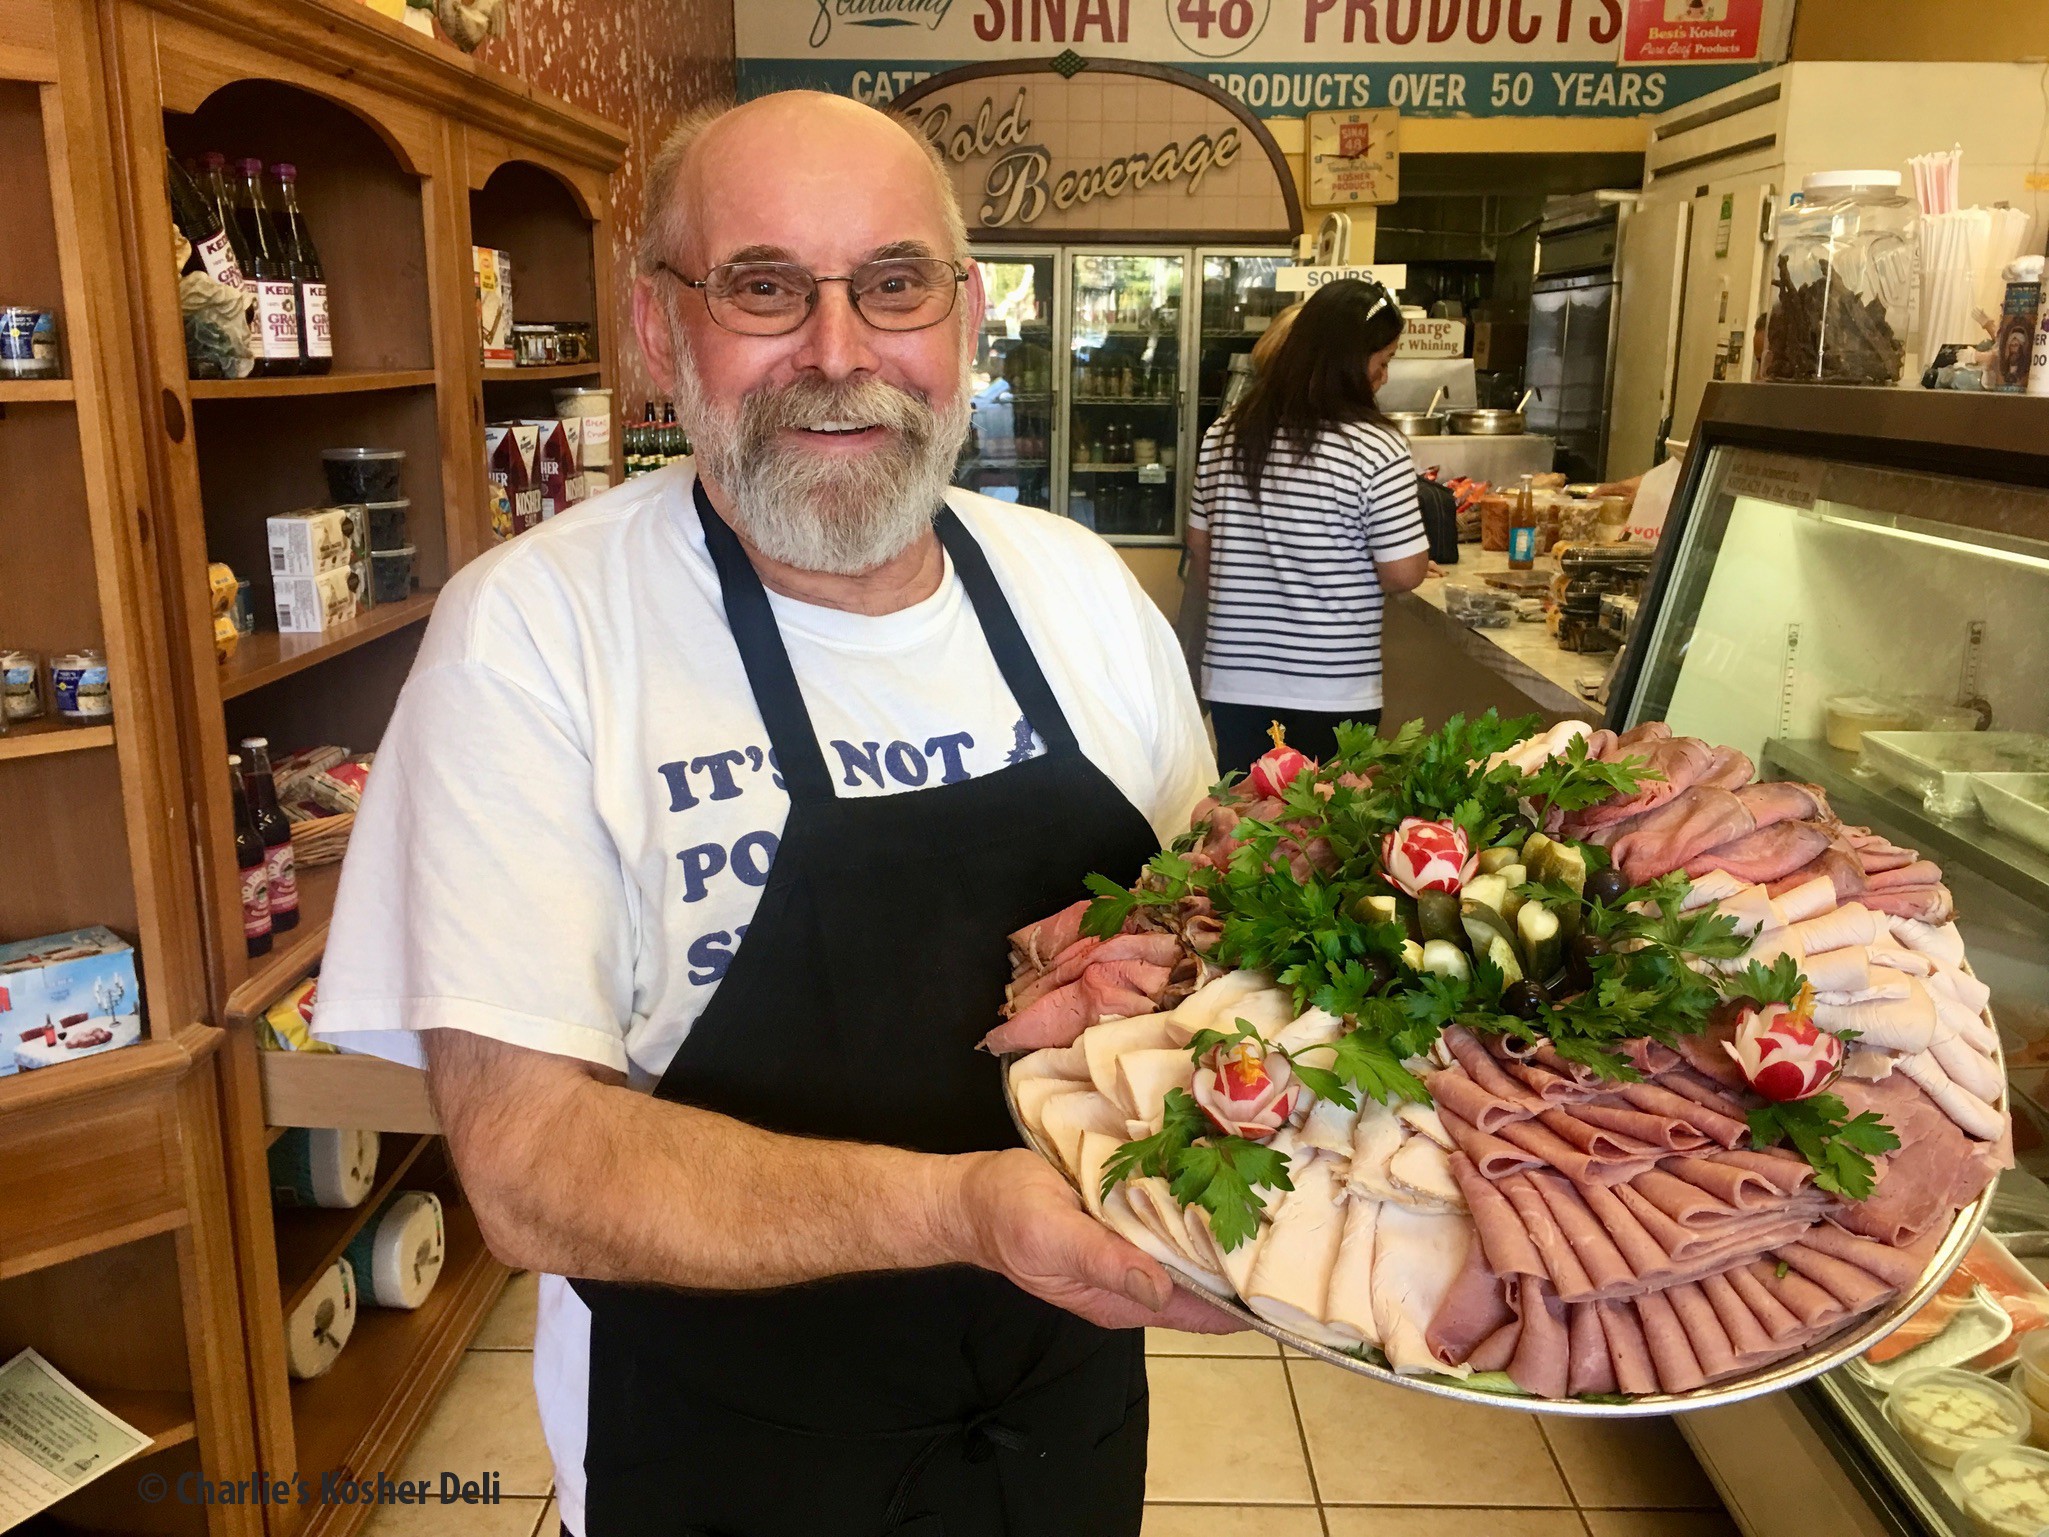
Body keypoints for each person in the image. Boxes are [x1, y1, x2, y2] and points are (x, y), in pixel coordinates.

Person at [312, 91, 1231, 1537]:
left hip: (1061, 1421)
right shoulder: (535, 636)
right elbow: (532, 1171)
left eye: (893, 283)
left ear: (965, 314)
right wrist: (961, 1212)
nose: (838, 351)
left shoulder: (1084, 594)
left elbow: (1218, 981)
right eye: (762, 288)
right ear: (657, 327)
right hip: (718, 1463)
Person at [1179, 278, 1431, 776]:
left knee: (1244, 815)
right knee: (1325, 817)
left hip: (1236, 681)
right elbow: (1403, 573)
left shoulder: (1225, 433)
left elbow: (1200, 550)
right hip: (1332, 688)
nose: (1384, 377)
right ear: (1349, 363)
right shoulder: (1376, 447)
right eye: (1382, 361)